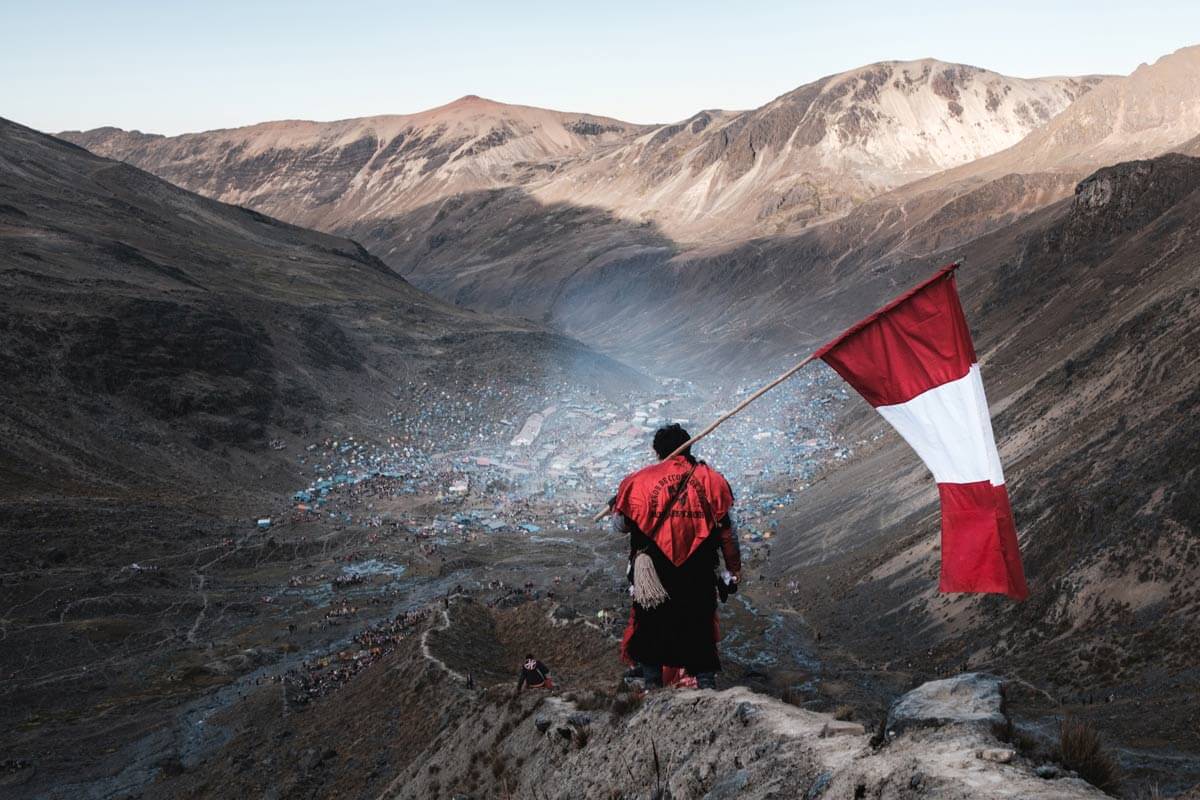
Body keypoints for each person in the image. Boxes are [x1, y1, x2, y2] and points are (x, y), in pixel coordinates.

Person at [611, 424, 741, 690]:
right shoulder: (711, 480)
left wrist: (616, 504)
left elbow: (620, 526)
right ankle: (706, 688)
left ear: (657, 451)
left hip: (652, 571)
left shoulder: (637, 481)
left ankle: (652, 687)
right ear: (689, 446)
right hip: (698, 569)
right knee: (698, 626)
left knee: (651, 625)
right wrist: (732, 569)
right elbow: (728, 532)